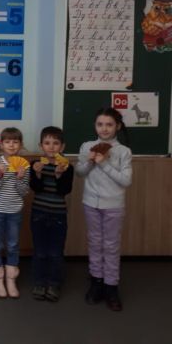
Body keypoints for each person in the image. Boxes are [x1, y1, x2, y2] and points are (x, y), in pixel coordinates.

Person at [76, 107, 132, 312]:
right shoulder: (87, 146)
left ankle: (111, 286)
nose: (104, 128)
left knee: (111, 246)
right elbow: (79, 172)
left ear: (117, 126)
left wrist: (105, 163)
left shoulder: (123, 151)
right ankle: (96, 282)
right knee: (94, 243)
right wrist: (90, 161)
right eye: (100, 124)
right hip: (90, 203)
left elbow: (126, 181)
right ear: (95, 126)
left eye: (109, 124)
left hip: (114, 205)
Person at [29, 126, 74, 302]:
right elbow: (35, 188)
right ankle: (39, 282)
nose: (51, 147)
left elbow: (65, 190)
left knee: (56, 252)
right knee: (40, 251)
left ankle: (54, 283)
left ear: (62, 147)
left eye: (56, 143)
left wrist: (58, 175)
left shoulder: (67, 167)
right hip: (38, 213)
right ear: (41, 146)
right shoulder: (35, 164)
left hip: (58, 215)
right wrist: (37, 173)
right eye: (47, 143)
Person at [0, 127, 29, 299]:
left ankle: (11, 278)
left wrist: (19, 178)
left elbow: (24, 192)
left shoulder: (24, 163)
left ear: (20, 144)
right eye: (7, 142)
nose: (11, 145)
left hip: (15, 210)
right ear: (1, 145)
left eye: (15, 142)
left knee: (12, 245)